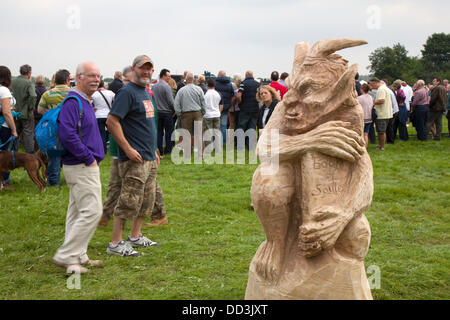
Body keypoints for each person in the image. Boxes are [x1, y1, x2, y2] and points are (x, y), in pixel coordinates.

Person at [52, 61, 104, 274]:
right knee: (93, 210)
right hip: (81, 165)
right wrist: (88, 157)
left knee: (76, 212)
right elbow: (67, 134)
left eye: (98, 76)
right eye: (91, 75)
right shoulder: (74, 101)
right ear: (78, 78)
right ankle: (66, 255)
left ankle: (76, 257)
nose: (96, 79)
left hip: (81, 165)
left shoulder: (83, 100)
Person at [106, 55, 160, 257]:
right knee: (128, 200)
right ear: (133, 69)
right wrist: (127, 149)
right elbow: (112, 122)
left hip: (148, 156)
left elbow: (146, 124)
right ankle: (115, 243)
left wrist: (154, 149)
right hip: (133, 158)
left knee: (147, 200)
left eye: (149, 69)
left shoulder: (145, 92)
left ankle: (135, 236)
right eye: (142, 68)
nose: (146, 72)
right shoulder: (127, 92)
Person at [37, 69, 71, 187]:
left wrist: (51, 114)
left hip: (53, 128)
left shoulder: (47, 94)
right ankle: (71, 180)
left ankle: (53, 181)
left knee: (55, 154)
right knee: (72, 152)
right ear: (67, 80)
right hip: (70, 127)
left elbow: (40, 110)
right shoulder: (73, 92)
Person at [174, 72, 206, 155]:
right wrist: (203, 112)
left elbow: (176, 104)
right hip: (198, 113)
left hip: (185, 114)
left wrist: (179, 114)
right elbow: (203, 102)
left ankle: (188, 154)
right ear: (193, 80)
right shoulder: (199, 89)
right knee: (199, 134)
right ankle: (201, 154)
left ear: (186, 80)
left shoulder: (181, 90)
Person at [0, 66, 18, 190]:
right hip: (3, 125)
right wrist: (14, 129)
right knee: (4, 156)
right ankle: (4, 182)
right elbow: (6, 112)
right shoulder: (4, 90)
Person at [11, 64, 36, 154]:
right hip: (26, 113)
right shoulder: (29, 83)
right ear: (29, 73)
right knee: (28, 134)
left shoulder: (13, 81)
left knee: (14, 133)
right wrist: (31, 108)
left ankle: (13, 153)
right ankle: (30, 154)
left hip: (14, 112)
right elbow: (33, 95)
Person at [152, 68, 175, 155]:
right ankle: (168, 150)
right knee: (169, 132)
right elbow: (170, 101)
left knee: (159, 132)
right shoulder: (167, 87)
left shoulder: (154, 87)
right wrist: (174, 110)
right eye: (168, 76)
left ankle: (159, 150)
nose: (169, 78)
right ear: (163, 76)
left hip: (157, 112)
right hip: (167, 113)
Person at [236, 70, 260, 149]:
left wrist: (240, 104)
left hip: (245, 108)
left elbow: (239, 96)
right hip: (255, 109)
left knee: (241, 126)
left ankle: (240, 146)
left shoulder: (243, 83)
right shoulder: (258, 84)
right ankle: (251, 146)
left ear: (246, 75)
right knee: (252, 127)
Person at [368, 77, 392, 151]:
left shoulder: (381, 89)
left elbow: (381, 100)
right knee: (380, 131)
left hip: (382, 114)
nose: (372, 87)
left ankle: (382, 147)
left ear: (375, 82)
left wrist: (371, 101)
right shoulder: (383, 88)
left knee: (381, 131)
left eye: (372, 85)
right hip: (384, 113)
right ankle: (380, 145)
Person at [92, 79, 115, 155]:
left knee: (101, 133)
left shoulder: (94, 94)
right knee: (111, 133)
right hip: (109, 115)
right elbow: (115, 101)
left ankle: (103, 150)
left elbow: (90, 103)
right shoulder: (110, 93)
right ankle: (112, 148)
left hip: (98, 115)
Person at [215, 70, 235, 145]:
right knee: (223, 125)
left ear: (218, 75)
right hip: (226, 107)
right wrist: (230, 104)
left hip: (216, 107)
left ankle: (215, 141)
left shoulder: (215, 84)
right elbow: (233, 96)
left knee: (216, 125)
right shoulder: (230, 84)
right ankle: (223, 142)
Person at [203, 78, 223, 152]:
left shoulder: (205, 93)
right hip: (216, 114)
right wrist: (219, 112)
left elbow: (203, 105)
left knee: (208, 132)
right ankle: (218, 149)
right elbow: (221, 105)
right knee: (217, 133)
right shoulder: (218, 94)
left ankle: (208, 149)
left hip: (207, 115)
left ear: (207, 85)